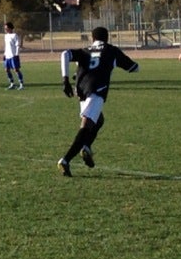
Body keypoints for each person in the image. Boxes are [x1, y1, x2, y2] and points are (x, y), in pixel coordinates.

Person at [56, 27, 139, 177]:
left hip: (81, 90)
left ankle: (86, 147)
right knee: (86, 124)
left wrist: (65, 80)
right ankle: (66, 160)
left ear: (93, 39)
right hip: (97, 90)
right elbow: (134, 68)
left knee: (98, 120)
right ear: (107, 38)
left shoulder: (85, 50)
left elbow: (64, 54)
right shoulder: (112, 50)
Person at [3, 22, 24, 90]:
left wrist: (16, 54)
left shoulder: (15, 35)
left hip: (13, 55)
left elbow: (17, 45)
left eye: (6, 28)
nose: (5, 29)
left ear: (10, 28)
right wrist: (4, 54)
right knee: (7, 70)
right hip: (7, 55)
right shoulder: (6, 36)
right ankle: (12, 84)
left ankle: (21, 84)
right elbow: (6, 46)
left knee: (16, 70)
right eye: (5, 28)